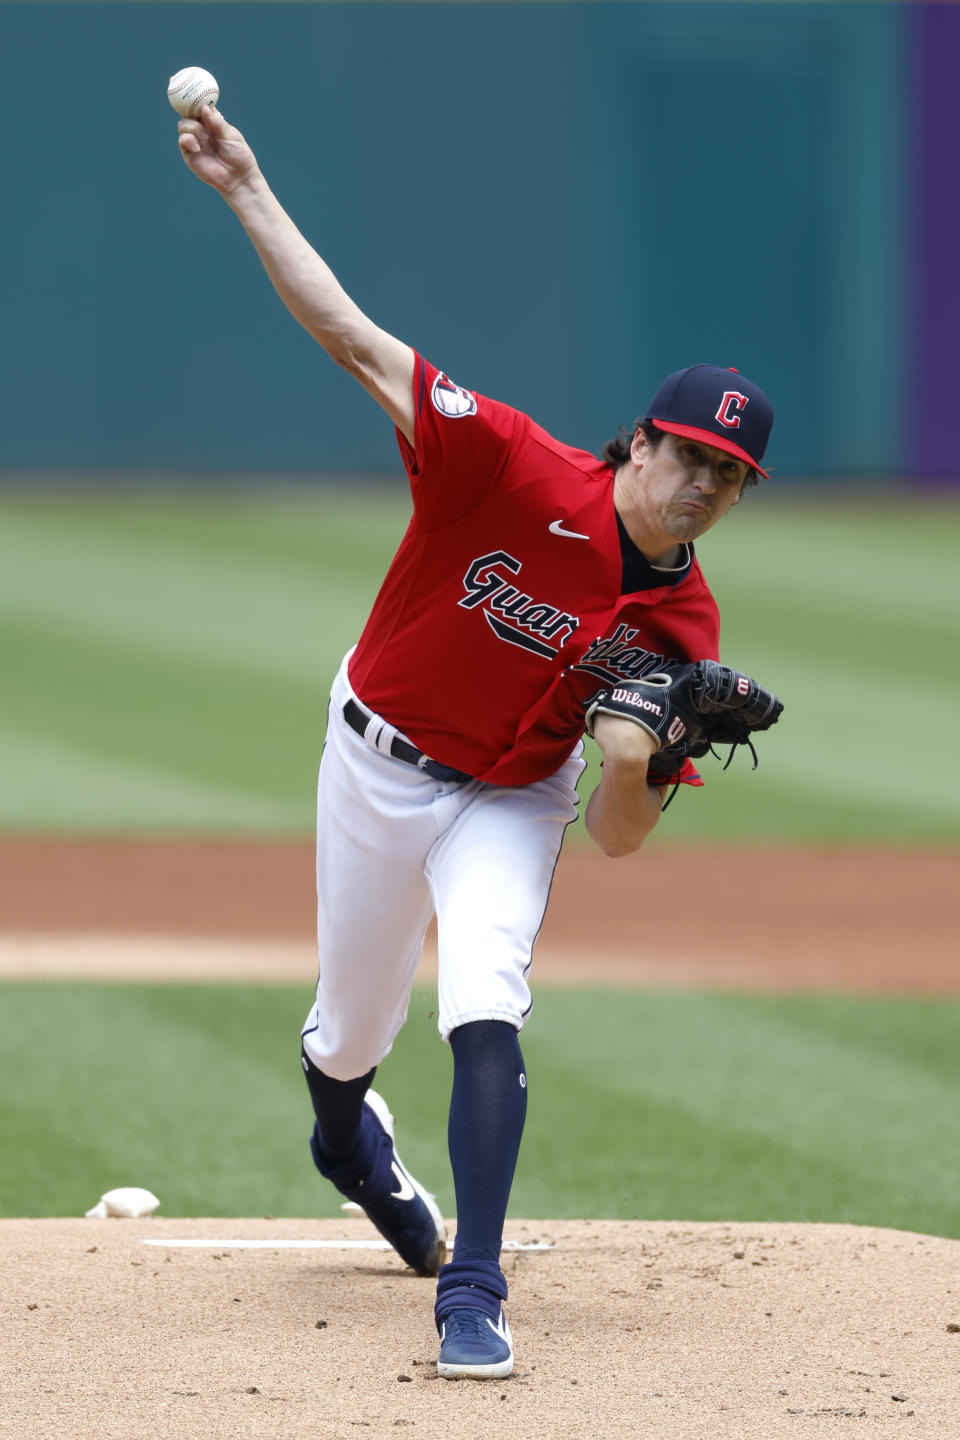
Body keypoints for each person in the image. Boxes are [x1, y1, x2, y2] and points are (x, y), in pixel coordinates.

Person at [176, 103, 776, 1381]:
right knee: (347, 1038)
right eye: (693, 457)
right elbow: (349, 335)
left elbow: (617, 839)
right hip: (375, 760)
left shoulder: (685, 622)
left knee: (488, 996)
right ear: (646, 440)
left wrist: (633, 760)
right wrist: (247, 187)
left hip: (514, 797)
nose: (706, 488)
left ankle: (473, 1287)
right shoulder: (506, 463)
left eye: (730, 477)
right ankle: (348, 1144)